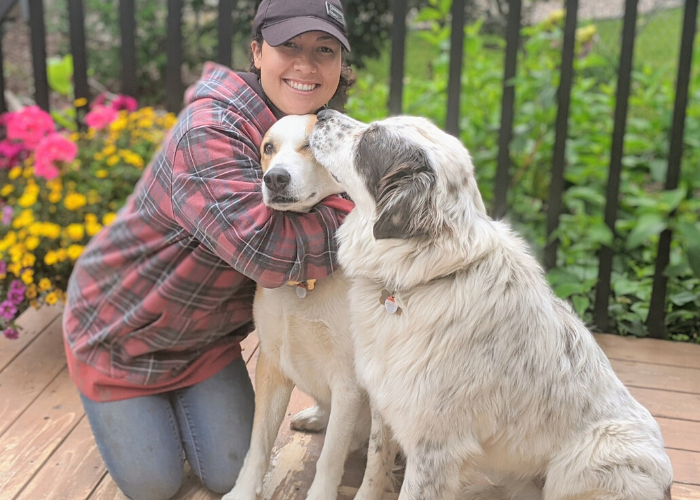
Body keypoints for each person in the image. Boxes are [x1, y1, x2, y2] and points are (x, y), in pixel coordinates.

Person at [62, 1, 354, 499]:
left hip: (206, 338)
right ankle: (129, 409)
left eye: (324, 50)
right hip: (123, 332)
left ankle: (183, 403)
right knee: (155, 485)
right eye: (289, 47)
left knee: (225, 475)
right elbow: (269, 252)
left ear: (341, 67)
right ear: (257, 52)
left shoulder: (323, 129)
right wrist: (359, 218)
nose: (307, 65)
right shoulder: (210, 128)